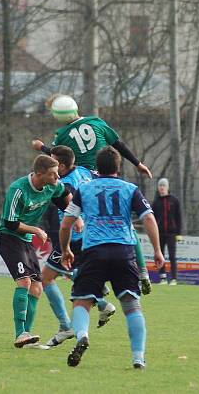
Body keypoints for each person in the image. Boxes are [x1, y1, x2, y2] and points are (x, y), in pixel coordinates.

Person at [31, 94, 154, 295]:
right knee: (126, 226)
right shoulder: (96, 122)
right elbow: (118, 143)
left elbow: (58, 156)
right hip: (109, 179)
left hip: (86, 181)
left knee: (84, 226)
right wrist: (138, 163)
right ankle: (143, 273)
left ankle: (93, 276)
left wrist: (42, 147)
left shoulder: (62, 134)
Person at [60, 147, 165, 370]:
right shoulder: (131, 189)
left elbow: (66, 223)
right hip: (123, 252)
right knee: (131, 306)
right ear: (118, 167)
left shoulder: (84, 189)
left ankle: (81, 337)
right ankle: (138, 358)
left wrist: (66, 248)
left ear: (97, 168)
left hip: (93, 252)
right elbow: (149, 220)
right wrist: (157, 250)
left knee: (82, 300)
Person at [41, 145, 117, 349]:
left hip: (72, 238)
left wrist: (76, 218)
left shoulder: (63, 183)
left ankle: (67, 325)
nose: (52, 166)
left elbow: (71, 202)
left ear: (63, 166)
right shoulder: (83, 171)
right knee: (74, 273)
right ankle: (102, 303)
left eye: (54, 162)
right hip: (89, 235)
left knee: (47, 277)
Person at [0, 154, 71, 348]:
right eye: (53, 174)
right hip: (8, 238)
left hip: (26, 240)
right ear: (39, 174)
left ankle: (26, 337)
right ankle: (20, 333)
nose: (57, 178)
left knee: (37, 287)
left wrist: (76, 216)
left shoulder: (51, 186)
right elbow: (10, 223)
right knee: (24, 281)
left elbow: (65, 197)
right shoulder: (18, 189)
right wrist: (36, 230)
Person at [151, 177, 182, 285]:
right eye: (160, 186)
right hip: (159, 233)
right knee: (160, 255)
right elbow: (152, 219)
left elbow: (178, 217)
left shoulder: (174, 201)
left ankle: (174, 279)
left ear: (167, 187)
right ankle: (163, 278)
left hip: (172, 233)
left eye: (164, 185)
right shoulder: (155, 202)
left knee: (172, 255)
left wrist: (179, 233)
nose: (162, 188)